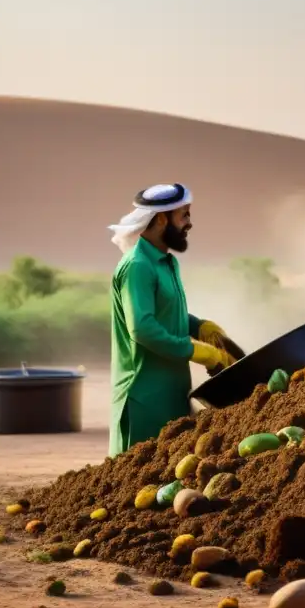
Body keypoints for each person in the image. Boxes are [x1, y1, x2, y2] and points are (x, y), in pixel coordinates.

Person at [106, 183, 240, 457]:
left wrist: (199, 327)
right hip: (143, 398)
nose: (189, 223)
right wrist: (195, 350)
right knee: (137, 481)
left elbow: (167, 313)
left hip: (173, 394)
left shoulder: (166, 263)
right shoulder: (137, 267)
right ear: (162, 219)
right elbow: (142, 328)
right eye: (184, 215)